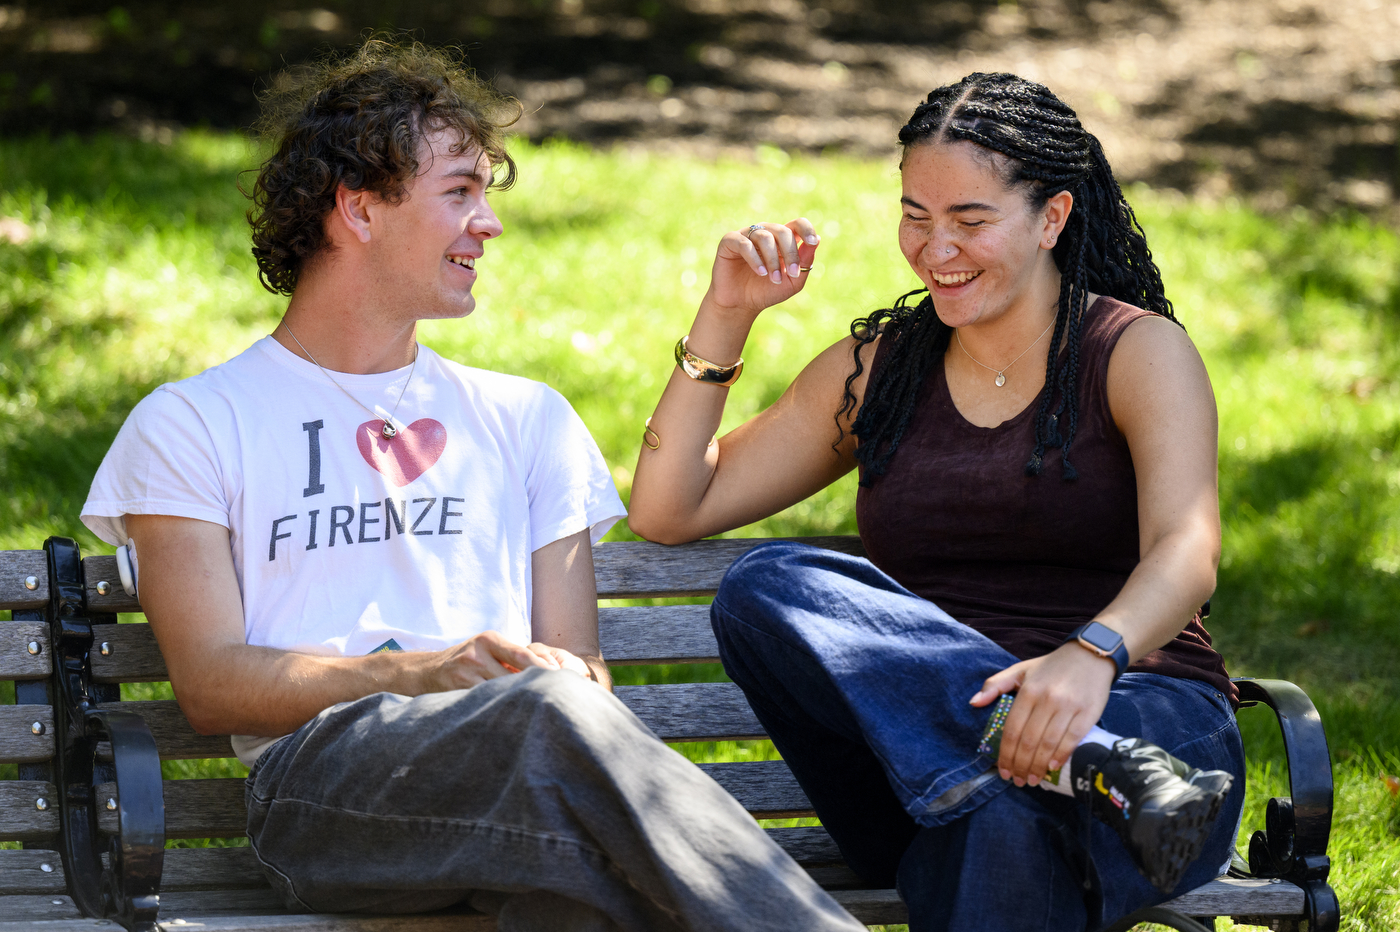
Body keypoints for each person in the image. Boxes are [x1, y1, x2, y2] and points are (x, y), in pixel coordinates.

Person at [78, 39, 865, 932]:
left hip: (533, 782)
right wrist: (423, 674)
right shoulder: (192, 423)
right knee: (544, 727)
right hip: (321, 792)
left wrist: (535, 685)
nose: (488, 223)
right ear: (359, 209)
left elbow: (584, 676)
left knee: (574, 894)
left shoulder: (525, 417)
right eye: (459, 192)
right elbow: (212, 686)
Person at [627, 72, 1246, 931]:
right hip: (921, 770)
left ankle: (1082, 757)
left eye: (971, 219)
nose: (935, 247)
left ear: (1053, 219)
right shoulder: (882, 369)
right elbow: (668, 509)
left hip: (1143, 723)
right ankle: (1075, 762)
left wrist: (1090, 656)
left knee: (1000, 822)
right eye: (916, 215)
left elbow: (1187, 548)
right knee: (766, 585)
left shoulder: (1134, 353)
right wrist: (727, 313)